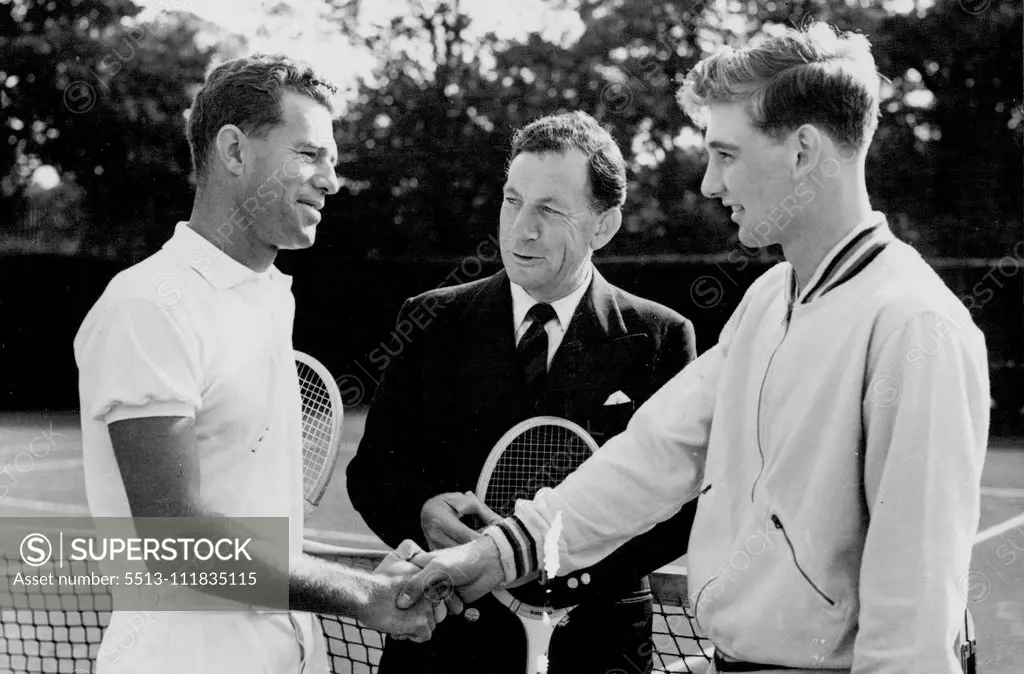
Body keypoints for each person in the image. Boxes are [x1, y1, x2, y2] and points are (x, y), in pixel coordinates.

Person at [398, 22, 991, 674]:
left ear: (802, 152)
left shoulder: (915, 327)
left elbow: (913, 634)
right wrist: (492, 555)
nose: (709, 184)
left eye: (726, 155)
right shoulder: (770, 299)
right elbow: (654, 456)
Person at [73, 54, 446, 674]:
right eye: (308, 154)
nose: (331, 180)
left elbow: (260, 538)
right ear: (234, 151)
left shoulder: (269, 296)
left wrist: (371, 583)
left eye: (333, 160)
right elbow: (178, 542)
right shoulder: (148, 304)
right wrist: (362, 594)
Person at [346, 110, 699, 674]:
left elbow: (681, 509)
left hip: (595, 649)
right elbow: (371, 475)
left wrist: (546, 566)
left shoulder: (662, 335)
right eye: (513, 200)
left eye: (550, 210)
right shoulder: (429, 319)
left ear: (603, 226)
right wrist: (422, 509)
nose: (520, 229)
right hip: (445, 648)